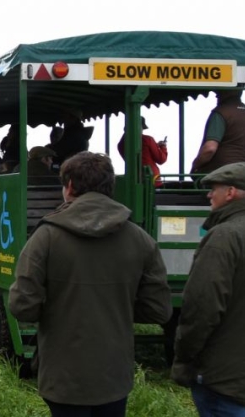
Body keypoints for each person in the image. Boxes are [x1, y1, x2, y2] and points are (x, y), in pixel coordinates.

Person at [9, 152, 172, 417]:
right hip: (114, 376)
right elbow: (159, 310)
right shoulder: (140, 240)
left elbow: (22, 306)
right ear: (110, 186)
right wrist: (116, 308)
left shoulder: (46, 237)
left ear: (70, 186)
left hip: (63, 377)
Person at [171, 162, 245, 416]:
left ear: (231, 192)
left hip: (218, 372)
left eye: (214, 188)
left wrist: (184, 357)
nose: (209, 195)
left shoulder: (224, 236)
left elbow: (201, 309)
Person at [190, 89, 245, 175]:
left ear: (225, 93)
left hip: (222, 176)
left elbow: (210, 149)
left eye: (218, 93)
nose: (216, 96)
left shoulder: (221, 113)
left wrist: (195, 165)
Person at [116, 119, 169, 187]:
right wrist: (163, 148)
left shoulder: (121, 144)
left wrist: (156, 145)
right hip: (151, 180)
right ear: (138, 127)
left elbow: (141, 149)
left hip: (133, 179)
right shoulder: (148, 139)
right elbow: (161, 159)